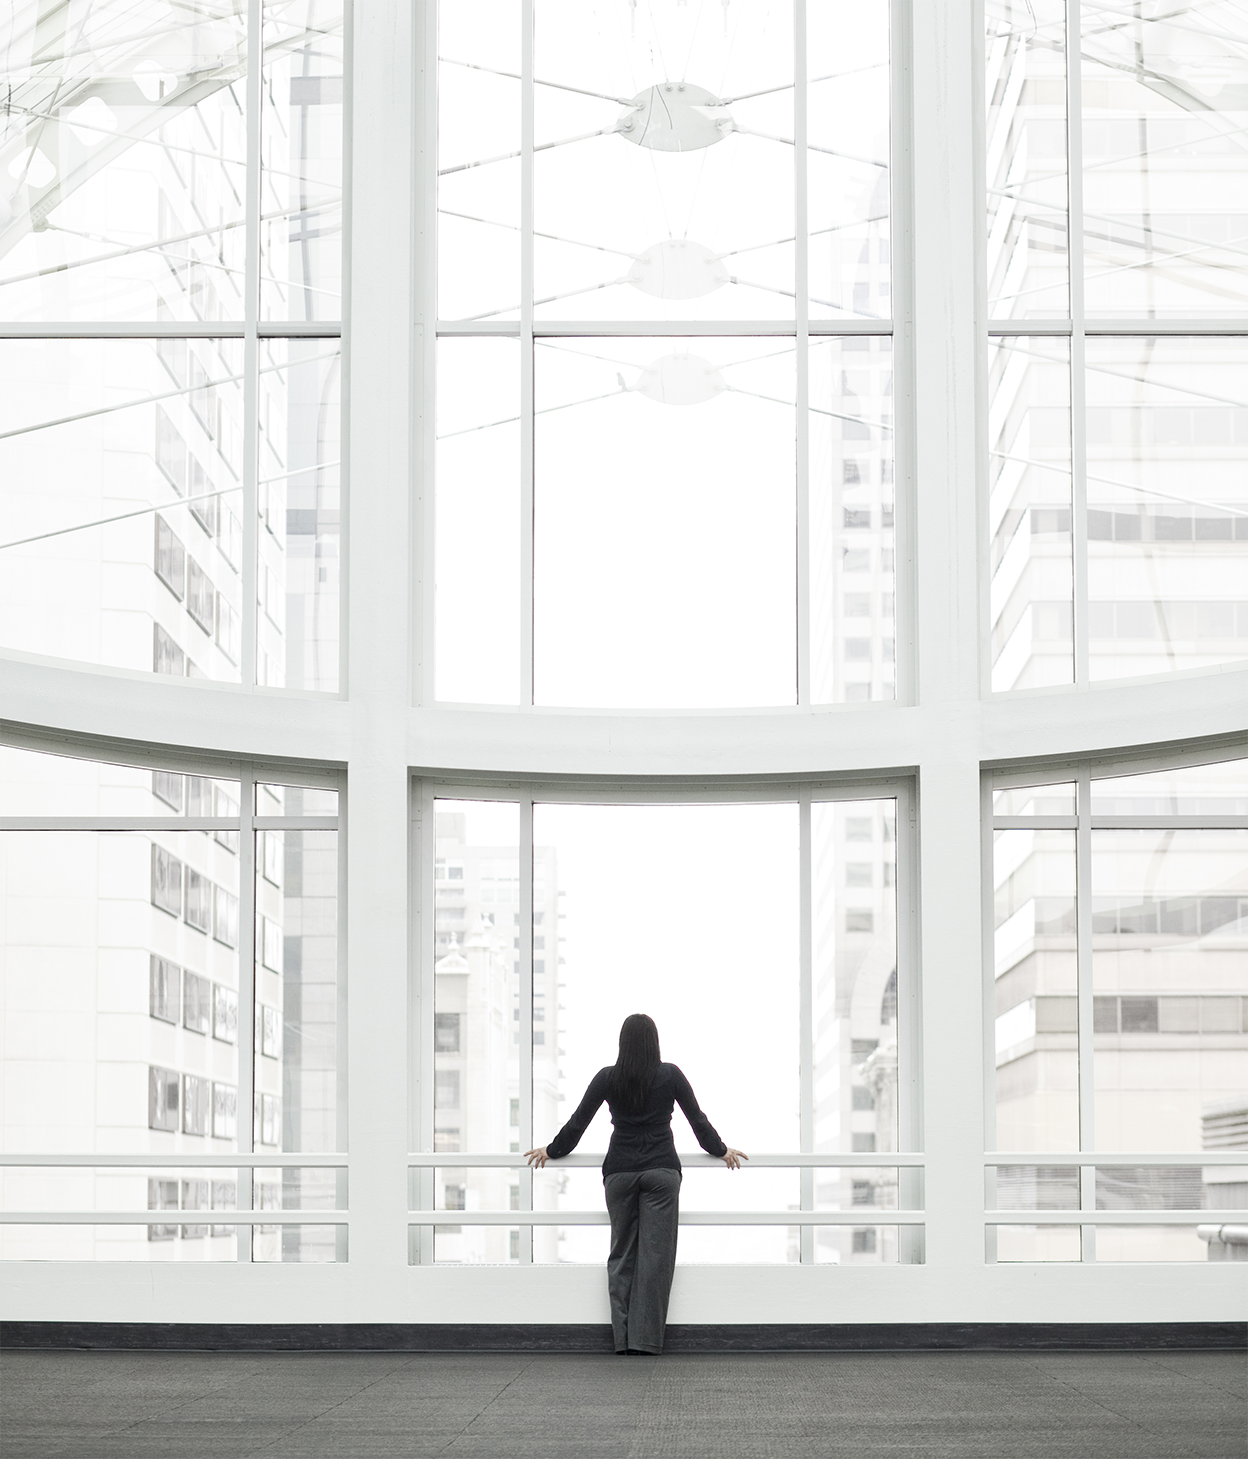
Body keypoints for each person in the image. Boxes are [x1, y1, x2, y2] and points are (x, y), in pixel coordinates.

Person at [526, 1012, 746, 1356]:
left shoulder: (607, 1078)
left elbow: (577, 1123)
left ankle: (622, 1340)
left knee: (622, 1254)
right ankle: (645, 1341)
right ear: (654, 1042)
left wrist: (551, 1151)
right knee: (656, 1258)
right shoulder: (670, 1075)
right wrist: (722, 1150)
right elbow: (697, 1121)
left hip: (620, 1174)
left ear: (622, 1044)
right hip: (661, 1173)